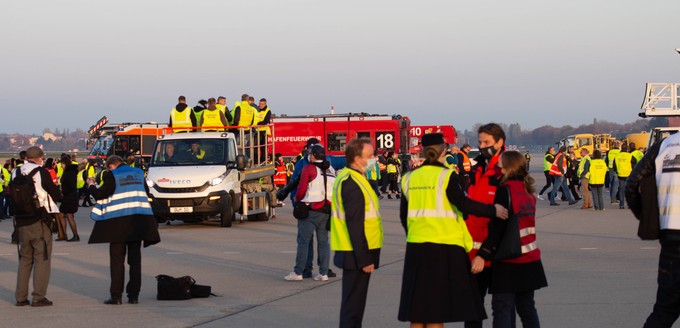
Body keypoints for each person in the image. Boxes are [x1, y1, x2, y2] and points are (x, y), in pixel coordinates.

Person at [399, 133, 508, 327]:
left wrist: (414, 234)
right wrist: (492, 210)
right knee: (436, 310)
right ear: (444, 151)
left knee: (418, 309)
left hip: (416, 247)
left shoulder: (409, 178)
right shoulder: (446, 175)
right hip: (444, 247)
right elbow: (463, 203)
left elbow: (403, 216)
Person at [471, 150, 547, 328]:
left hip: (509, 260)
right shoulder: (528, 190)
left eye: (500, 164)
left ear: (507, 167)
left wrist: (482, 254)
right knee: (527, 308)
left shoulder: (505, 191)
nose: (498, 166)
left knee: (502, 308)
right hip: (530, 258)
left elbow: (497, 228)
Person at [88, 155, 161, 305]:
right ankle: (134, 296)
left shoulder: (112, 175)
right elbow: (146, 193)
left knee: (117, 261)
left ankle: (116, 296)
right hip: (138, 222)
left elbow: (101, 194)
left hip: (118, 223)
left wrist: (91, 186)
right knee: (135, 262)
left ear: (111, 166)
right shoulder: (139, 173)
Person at [625, 132, 680, 327]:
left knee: (665, 310)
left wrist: (650, 220)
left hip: (672, 235)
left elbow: (631, 185)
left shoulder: (665, 146)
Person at [331, 138, 383, 328]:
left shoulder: (352, 178)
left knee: (354, 306)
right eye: (370, 156)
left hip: (353, 251)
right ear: (356, 158)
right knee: (353, 309)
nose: (374, 159)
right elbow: (355, 224)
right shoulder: (352, 182)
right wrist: (365, 259)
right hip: (356, 254)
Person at [465, 123, 507, 328]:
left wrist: (485, 252)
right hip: (472, 253)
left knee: (501, 310)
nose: (482, 146)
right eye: (480, 142)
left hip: (496, 254)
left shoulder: (506, 171)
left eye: (487, 142)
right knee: (472, 309)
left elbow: (504, 220)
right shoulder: (477, 169)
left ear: (500, 143)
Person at [13, 146, 63, 307]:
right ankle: (38, 296)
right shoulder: (41, 172)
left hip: (20, 221)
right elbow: (56, 194)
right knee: (42, 258)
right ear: (40, 157)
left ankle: (20, 297)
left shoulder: (16, 172)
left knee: (24, 259)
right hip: (39, 220)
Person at [285, 145, 334, 282]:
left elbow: (301, 189)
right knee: (323, 242)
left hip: (310, 210)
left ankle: (298, 272)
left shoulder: (309, 168)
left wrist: (296, 199)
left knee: (304, 241)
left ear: (314, 155)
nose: (309, 155)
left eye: (310, 154)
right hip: (326, 210)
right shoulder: (331, 169)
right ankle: (323, 273)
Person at [57, 155, 80, 242]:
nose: (61, 166)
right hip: (69, 196)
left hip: (69, 196)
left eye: (61, 164)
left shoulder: (68, 173)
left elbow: (70, 185)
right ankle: (64, 234)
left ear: (64, 164)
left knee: (69, 215)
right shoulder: (70, 171)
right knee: (62, 214)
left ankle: (75, 235)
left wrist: (63, 192)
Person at [612, 144, 636, 210]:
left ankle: (621, 205)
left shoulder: (617, 156)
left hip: (621, 175)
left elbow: (614, 166)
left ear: (621, 148)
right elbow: (635, 163)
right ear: (627, 149)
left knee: (621, 190)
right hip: (629, 174)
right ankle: (629, 204)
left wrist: (617, 171)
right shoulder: (630, 155)